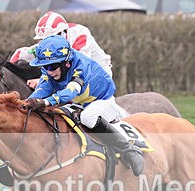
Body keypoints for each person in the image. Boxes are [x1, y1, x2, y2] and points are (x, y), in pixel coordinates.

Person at [23, 35, 144, 176]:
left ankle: (129, 150)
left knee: (88, 117)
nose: (49, 71)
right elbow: (42, 89)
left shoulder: (81, 67)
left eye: (53, 66)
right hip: (81, 105)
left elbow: (70, 92)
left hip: (104, 102)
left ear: (66, 63)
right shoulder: (51, 70)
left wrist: (44, 102)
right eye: (45, 67)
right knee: (56, 115)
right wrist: (25, 105)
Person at [10, 11, 112, 87]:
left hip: (97, 75)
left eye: (47, 40)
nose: (44, 45)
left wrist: (41, 80)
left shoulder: (80, 35)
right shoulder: (46, 45)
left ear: (61, 34)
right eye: (41, 40)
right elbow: (19, 54)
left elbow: (79, 69)